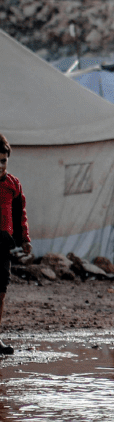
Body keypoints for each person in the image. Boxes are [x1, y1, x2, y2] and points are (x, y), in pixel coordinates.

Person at [0, 135, 32, 356]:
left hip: (3, 246)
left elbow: (19, 215)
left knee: (0, 292)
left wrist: (25, 240)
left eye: (3, 161)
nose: (0, 165)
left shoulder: (13, 185)